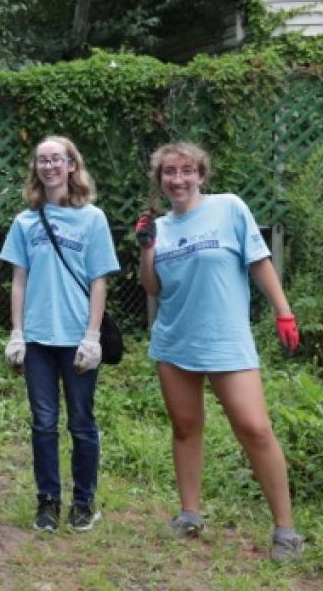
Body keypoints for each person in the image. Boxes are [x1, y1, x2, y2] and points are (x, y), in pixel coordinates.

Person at [136, 142, 304, 561]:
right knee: (185, 427)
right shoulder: (160, 226)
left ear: (201, 175)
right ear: (160, 180)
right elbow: (152, 287)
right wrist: (146, 249)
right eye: (169, 172)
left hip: (226, 338)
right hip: (175, 341)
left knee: (255, 429)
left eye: (186, 171)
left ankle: (285, 531)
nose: (178, 179)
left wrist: (284, 313)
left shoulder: (229, 207)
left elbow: (259, 261)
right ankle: (189, 514)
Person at [0, 135, 119, 533]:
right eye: (41, 160)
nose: (48, 166)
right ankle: (47, 501)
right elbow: (19, 279)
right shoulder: (25, 221)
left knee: (81, 423)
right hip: (37, 340)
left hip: (76, 338)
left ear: (72, 165)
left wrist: (93, 336)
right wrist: (16, 332)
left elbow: (99, 282)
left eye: (56, 159)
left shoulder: (93, 218)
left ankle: (84, 502)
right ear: (36, 168)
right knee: (43, 423)